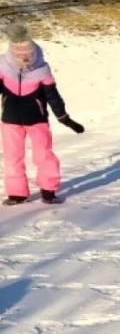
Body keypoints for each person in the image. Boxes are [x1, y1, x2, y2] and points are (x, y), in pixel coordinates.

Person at [1, 22, 84, 205]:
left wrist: (64, 118)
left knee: (43, 155)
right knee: (12, 156)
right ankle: (17, 193)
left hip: (37, 120)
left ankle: (48, 190)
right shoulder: (3, 66)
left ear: (33, 51)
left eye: (27, 53)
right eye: (18, 53)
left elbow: (52, 96)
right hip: (10, 121)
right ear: (12, 51)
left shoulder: (42, 69)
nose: (23, 57)